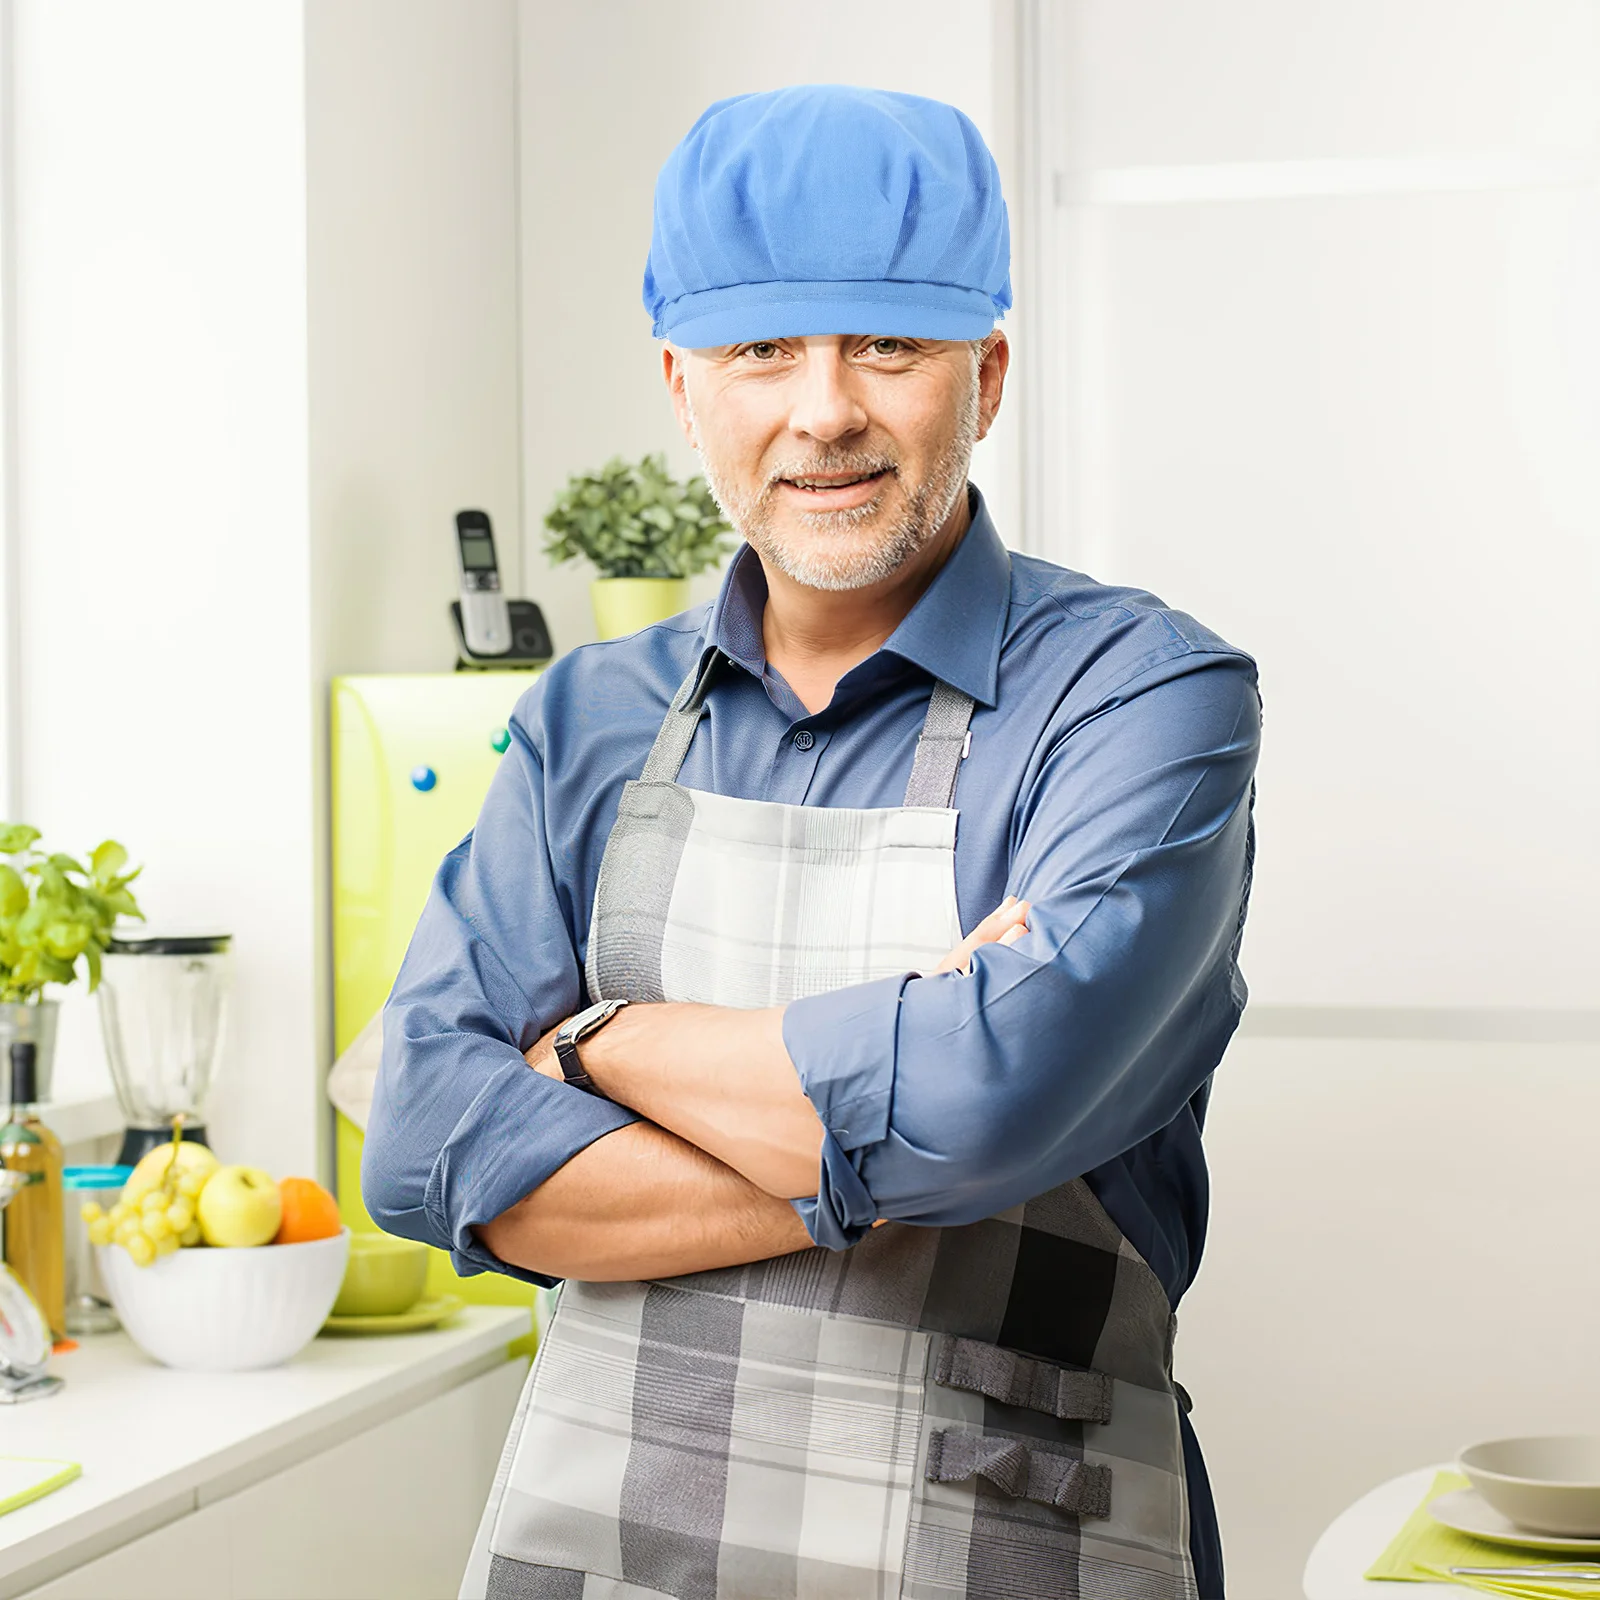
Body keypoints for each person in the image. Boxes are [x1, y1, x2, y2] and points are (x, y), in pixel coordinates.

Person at [365, 83, 1259, 1600]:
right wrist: (899, 1129)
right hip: (611, 1558)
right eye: (761, 349)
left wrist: (592, 1044)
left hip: (1016, 1550)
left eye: (889, 345)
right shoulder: (590, 717)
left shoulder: (1139, 698)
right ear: (682, 385)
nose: (825, 408)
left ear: (987, 375)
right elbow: (422, 1141)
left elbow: (980, 1105)